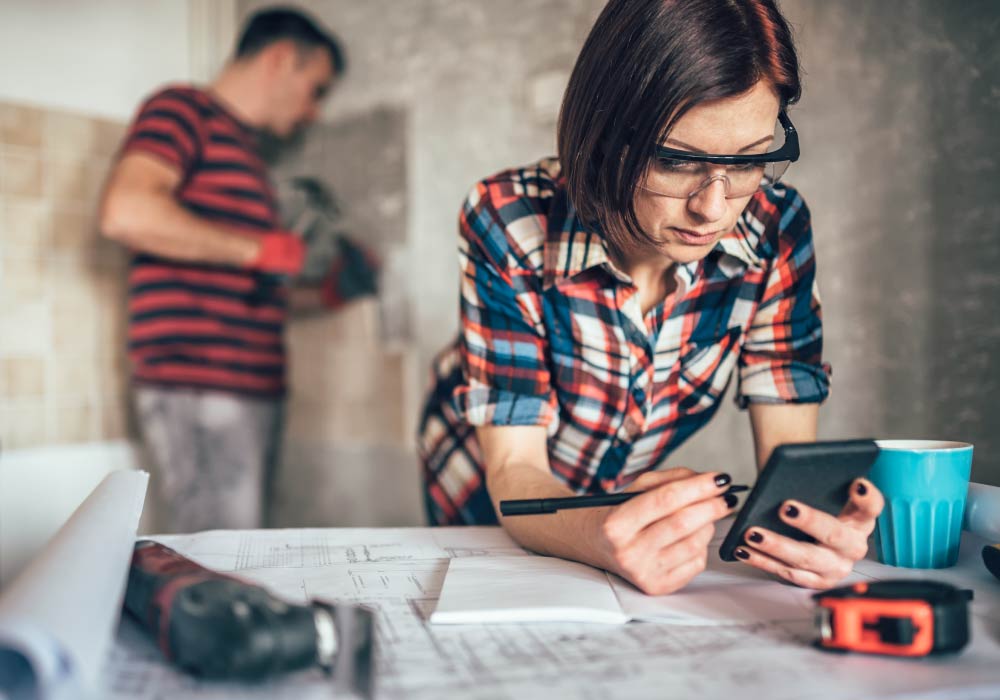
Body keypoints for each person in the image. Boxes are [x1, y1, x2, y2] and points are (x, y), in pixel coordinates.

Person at [418, 0, 884, 595]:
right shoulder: (509, 217)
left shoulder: (776, 227)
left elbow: (790, 460)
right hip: (482, 479)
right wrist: (600, 530)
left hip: (611, 498)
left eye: (750, 161)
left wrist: (806, 529)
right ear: (605, 129)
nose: (714, 208)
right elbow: (515, 469)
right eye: (675, 161)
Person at [99, 8, 358, 532]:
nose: (314, 112)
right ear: (282, 58)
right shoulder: (181, 110)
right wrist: (258, 250)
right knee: (220, 562)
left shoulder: (247, 156)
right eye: (316, 89)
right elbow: (125, 211)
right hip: (199, 383)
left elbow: (242, 278)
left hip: (243, 388)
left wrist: (324, 294)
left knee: (237, 551)